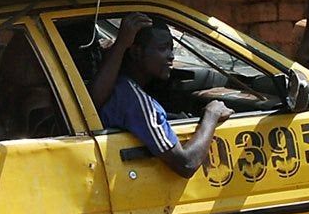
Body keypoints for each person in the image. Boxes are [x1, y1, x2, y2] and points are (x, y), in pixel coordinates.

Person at [89, 14, 230, 178]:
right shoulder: (138, 104)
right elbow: (186, 164)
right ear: (136, 52)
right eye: (162, 48)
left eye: (171, 48)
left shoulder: (118, 87)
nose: (171, 56)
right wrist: (211, 116)